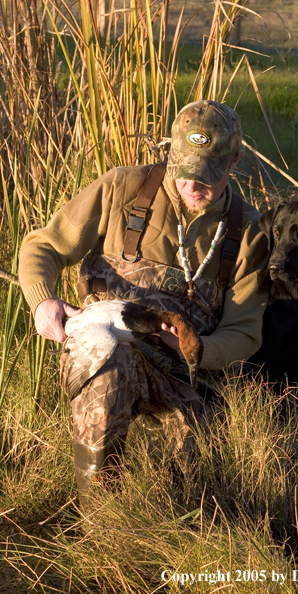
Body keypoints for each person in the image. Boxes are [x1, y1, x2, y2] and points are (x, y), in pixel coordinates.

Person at [19, 100, 269, 505]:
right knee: (108, 364)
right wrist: (42, 300)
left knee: (196, 491)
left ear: (234, 162)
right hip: (106, 350)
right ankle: (102, 521)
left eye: (207, 176)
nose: (192, 186)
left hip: (187, 372)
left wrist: (197, 350)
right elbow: (42, 247)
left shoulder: (248, 233)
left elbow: (244, 332)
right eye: (184, 172)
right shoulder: (123, 187)